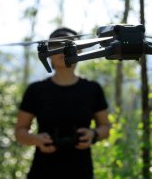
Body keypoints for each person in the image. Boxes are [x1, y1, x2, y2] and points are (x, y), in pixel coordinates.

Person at [14, 27, 110, 179]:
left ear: (79, 51)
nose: (62, 50)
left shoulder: (93, 89)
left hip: (81, 172)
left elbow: (105, 127)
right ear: (48, 54)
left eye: (69, 45)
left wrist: (93, 134)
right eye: (55, 45)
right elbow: (20, 131)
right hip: (43, 171)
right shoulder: (36, 90)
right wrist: (37, 140)